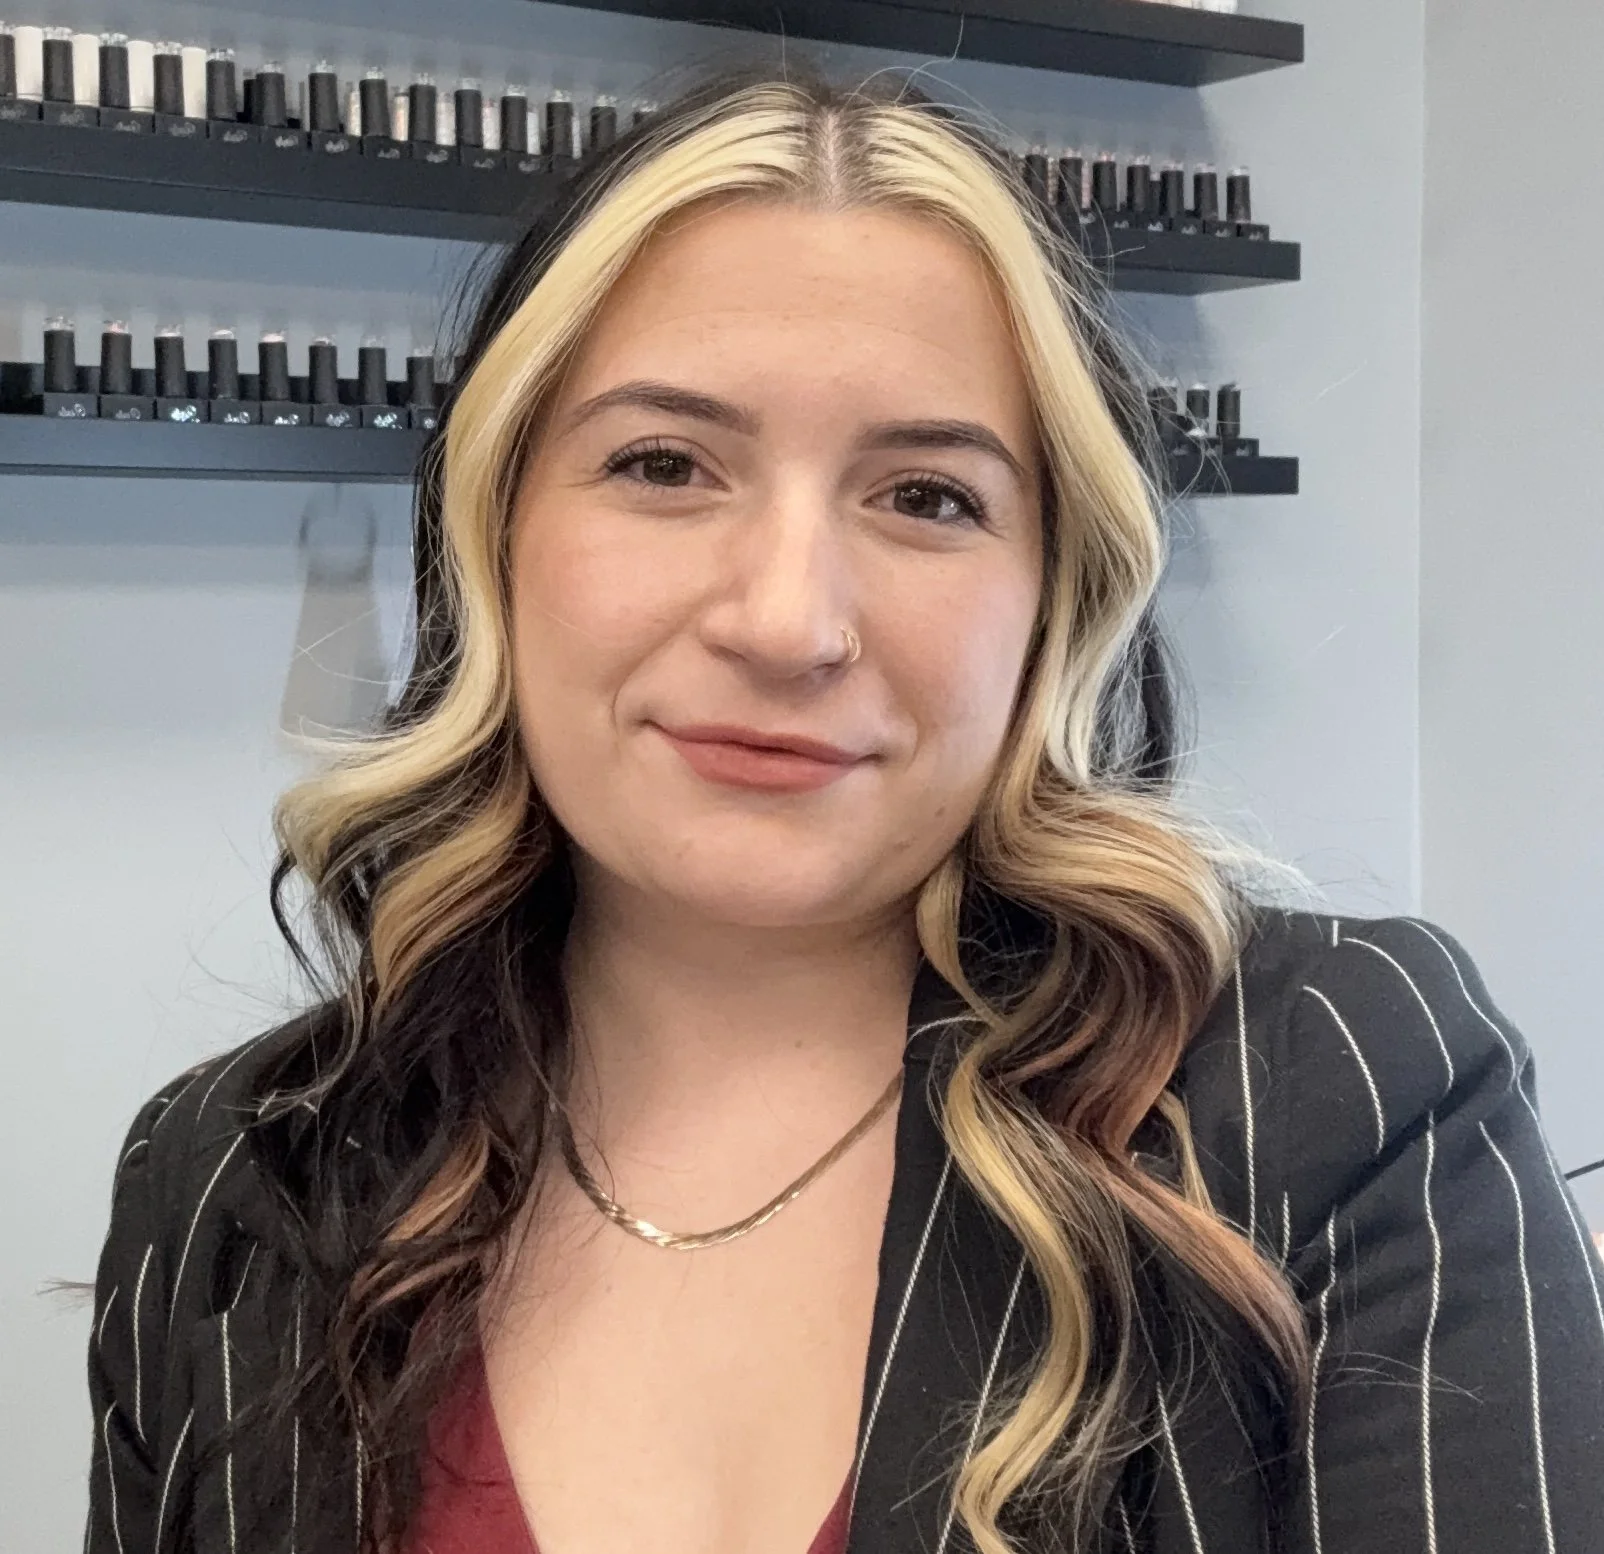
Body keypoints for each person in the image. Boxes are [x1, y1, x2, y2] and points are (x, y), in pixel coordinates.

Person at [82, 60, 1604, 1554]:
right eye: (665, 464)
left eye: (927, 496)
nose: (788, 620)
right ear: (493, 532)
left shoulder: (1335, 1092)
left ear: (1050, 599)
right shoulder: (227, 1179)